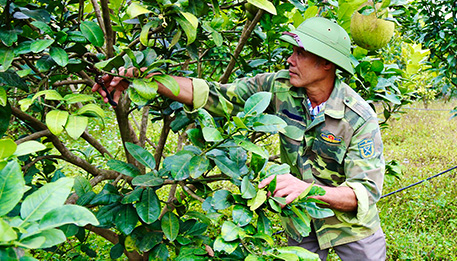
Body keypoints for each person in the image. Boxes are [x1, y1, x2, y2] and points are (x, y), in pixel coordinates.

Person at [93, 17, 386, 261]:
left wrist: (305, 189)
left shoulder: (358, 117)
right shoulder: (278, 86)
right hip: (301, 219)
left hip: (353, 228)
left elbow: (363, 193)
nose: (290, 59)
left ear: (327, 64)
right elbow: (216, 95)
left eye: (301, 53)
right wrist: (144, 78)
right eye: (292, 51)